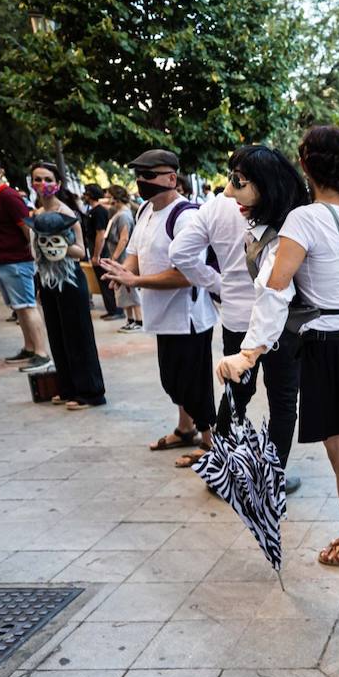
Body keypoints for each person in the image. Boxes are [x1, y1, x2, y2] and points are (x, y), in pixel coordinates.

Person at [216, 125, 339, 569]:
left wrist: (249, 353)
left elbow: (275, 290)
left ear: (307, 164)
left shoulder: (304, 220)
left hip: (327, 347)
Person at [174, 146, 301, 492]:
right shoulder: (277, 221)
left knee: (237, 397)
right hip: (276, 327)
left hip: (246, 320)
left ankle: (229, 474)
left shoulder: (285, 224)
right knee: (277, 400)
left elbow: (180, 252)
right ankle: (267, 477)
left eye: (238, 181)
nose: (229, 192)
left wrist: (218, 285)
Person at [99, 149, 218, 465]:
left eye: (149, 175)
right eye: (139, 175)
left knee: (193, 383)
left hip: (188, 317)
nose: (142, 181)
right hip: (161, 314)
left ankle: (210, 443)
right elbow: (135, 253)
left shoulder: (186, 217)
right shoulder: (145, 211)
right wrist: (123, 273)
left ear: (171, 178)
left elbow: (187, 275)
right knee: (173, 379)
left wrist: (135, 280)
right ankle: (185, 429)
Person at [28, 161, 106, 409]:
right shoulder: (36, 215)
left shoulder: (68, 213)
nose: (43, 184)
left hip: (70, 279)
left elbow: (80, 251)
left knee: (77, 336)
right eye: (38, 179)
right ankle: (67, 388)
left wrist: (60, 244)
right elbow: (36, 253)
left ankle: (90, 392)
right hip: (47, 279)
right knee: (57, 335)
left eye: (48, 179)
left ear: (58, 183)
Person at [0, 151, 52, 370]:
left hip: (16, 261)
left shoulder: (8, 196)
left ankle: (41, 353)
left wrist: (35, 257)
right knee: (19, 308)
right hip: (0, 262)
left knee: (27, 306)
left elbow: (27, 229)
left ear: (0, 171)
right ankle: (29, 347)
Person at [101, 186, 141, 331]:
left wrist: (114, 258)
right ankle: (130, 320)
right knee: (123, 292)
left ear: (115, 198)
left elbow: (124, 239)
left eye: (108, 195)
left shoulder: (123, 215)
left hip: (123, 259)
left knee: (130, 290)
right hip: (120, 259)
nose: (106, 198)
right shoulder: (119, 213)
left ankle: (139, 321)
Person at [82, 184, 123, 321]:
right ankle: (111, 309)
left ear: (90, 195)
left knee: (107, 282)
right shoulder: (93, 210)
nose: (84, 196)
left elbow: (100, 234)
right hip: (97, 251)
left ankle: (116, 310)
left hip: (101, 253)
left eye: (86, 193)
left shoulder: (98, 211)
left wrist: (96, 255)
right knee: (103, 283)